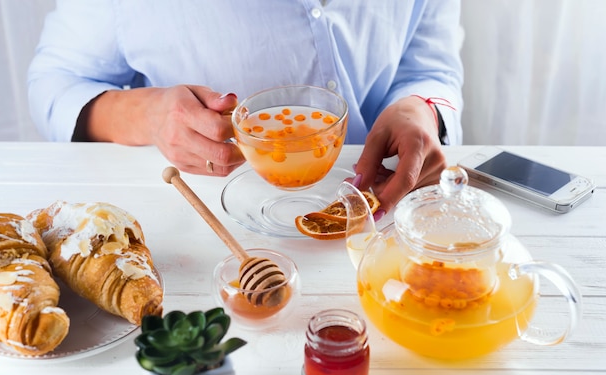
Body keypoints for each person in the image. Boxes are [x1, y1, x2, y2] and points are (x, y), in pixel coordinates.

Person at [28, 0, 463, 220]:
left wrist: (421, 109)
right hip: (208, 229)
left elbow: (429, 64)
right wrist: (151, 115)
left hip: (389, 214)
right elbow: (56, 81)